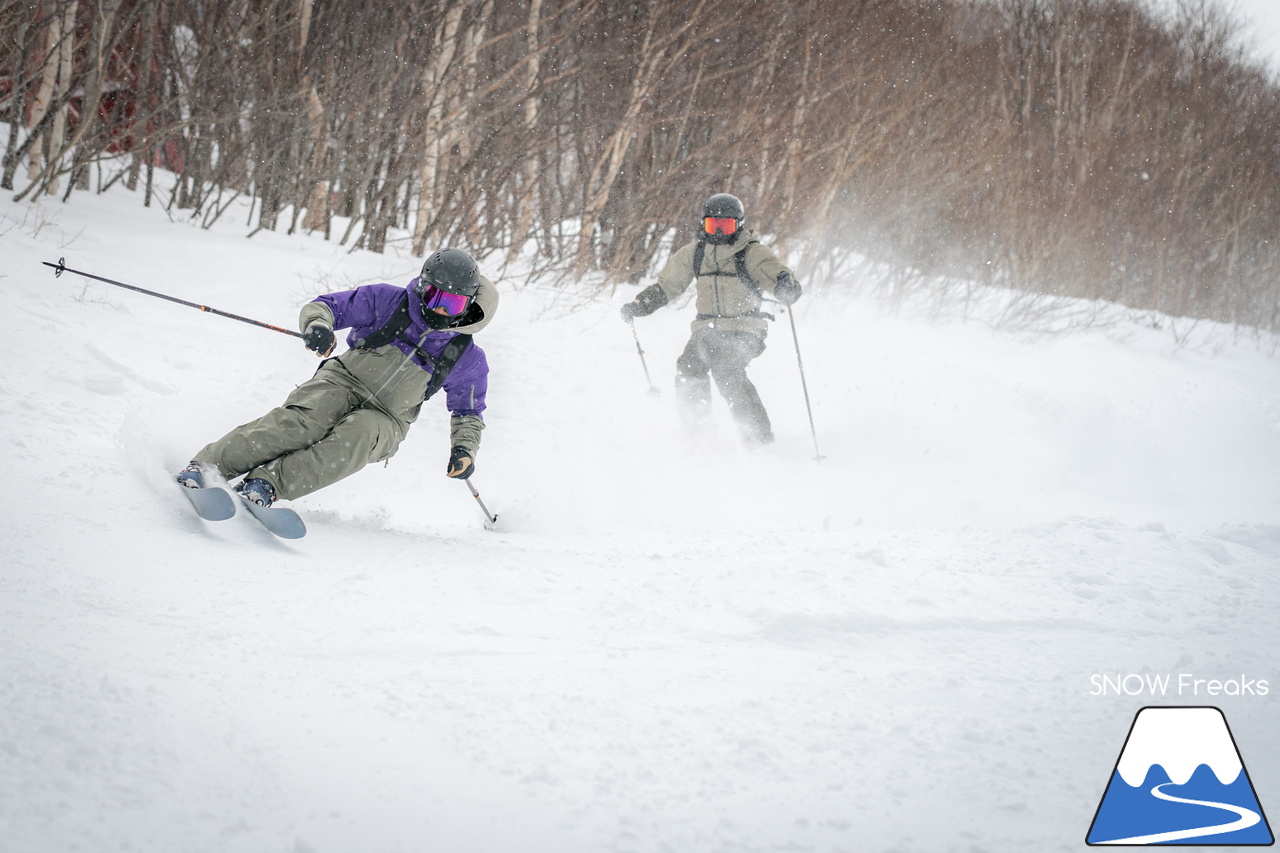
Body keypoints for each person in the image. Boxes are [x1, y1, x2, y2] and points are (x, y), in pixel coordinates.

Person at [175, 248, 497, 506]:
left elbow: (468, 412)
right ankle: (209, 466)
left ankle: (268, 484)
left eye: (452, 303)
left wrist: (464, 449)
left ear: (467, 305)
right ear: (422, 286)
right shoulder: (388, 301)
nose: (440, 310)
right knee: (303, 423)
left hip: (388, 418)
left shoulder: (464, 356)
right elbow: (328, 307)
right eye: (434, 297)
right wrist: (318, 326)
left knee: (354, 437)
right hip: (342, 380)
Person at [620, 193, 801, 446]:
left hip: (746, 328)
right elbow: (669, 285)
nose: (717, 232)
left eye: (724, 226)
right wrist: (642, 304)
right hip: (708, 328)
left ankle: (758, 437)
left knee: (727, 369)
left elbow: (776, 273)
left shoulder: (752, 253)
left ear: (738, 225)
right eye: (711, 225)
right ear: (703, 224)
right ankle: (698, 430)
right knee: (689, 367)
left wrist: (786, 285)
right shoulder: (694, 254)